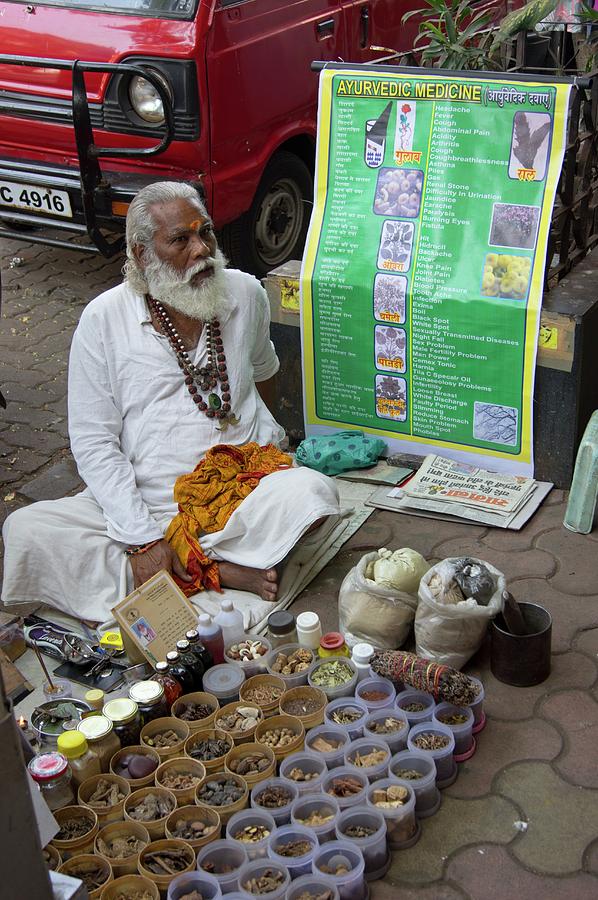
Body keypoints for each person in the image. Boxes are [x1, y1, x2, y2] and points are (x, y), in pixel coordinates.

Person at [1, 182, 340, 624]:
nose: (202, 250)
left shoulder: (244, 292)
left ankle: (184, 569)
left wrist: (266, 451)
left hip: (239, 493)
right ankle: (213, 569)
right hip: (149, 496)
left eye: (206, 233)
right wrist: (143, 539)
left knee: (312, 494)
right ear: (143, 255)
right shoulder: (103, 320)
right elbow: (93, 441)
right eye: (181, 239)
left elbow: (264, 372)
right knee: (27, 530)